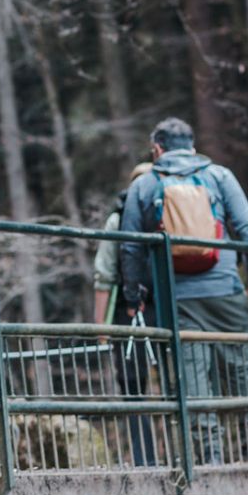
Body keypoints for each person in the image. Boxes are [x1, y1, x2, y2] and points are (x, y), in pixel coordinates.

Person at [116, 118, 248, 466]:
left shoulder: (145, 184)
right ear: (192, 145)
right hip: (225, 286)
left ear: (157, 149)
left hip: (176, 295)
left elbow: (129, 246)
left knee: (191, 375)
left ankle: (209, 453)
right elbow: (247, 227)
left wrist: (134, 295)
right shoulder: (219, 176)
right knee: (239, 366)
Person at [92, 161, 156, 467]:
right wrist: (102, 325)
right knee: (145, 383)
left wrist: (101, 325)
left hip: (129, 313)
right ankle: (153, 456)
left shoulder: (117, 220)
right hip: (155, 308)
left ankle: (146, 458)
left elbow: (103, 274)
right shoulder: (163, 218)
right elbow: (104, 274)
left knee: (133, 385)